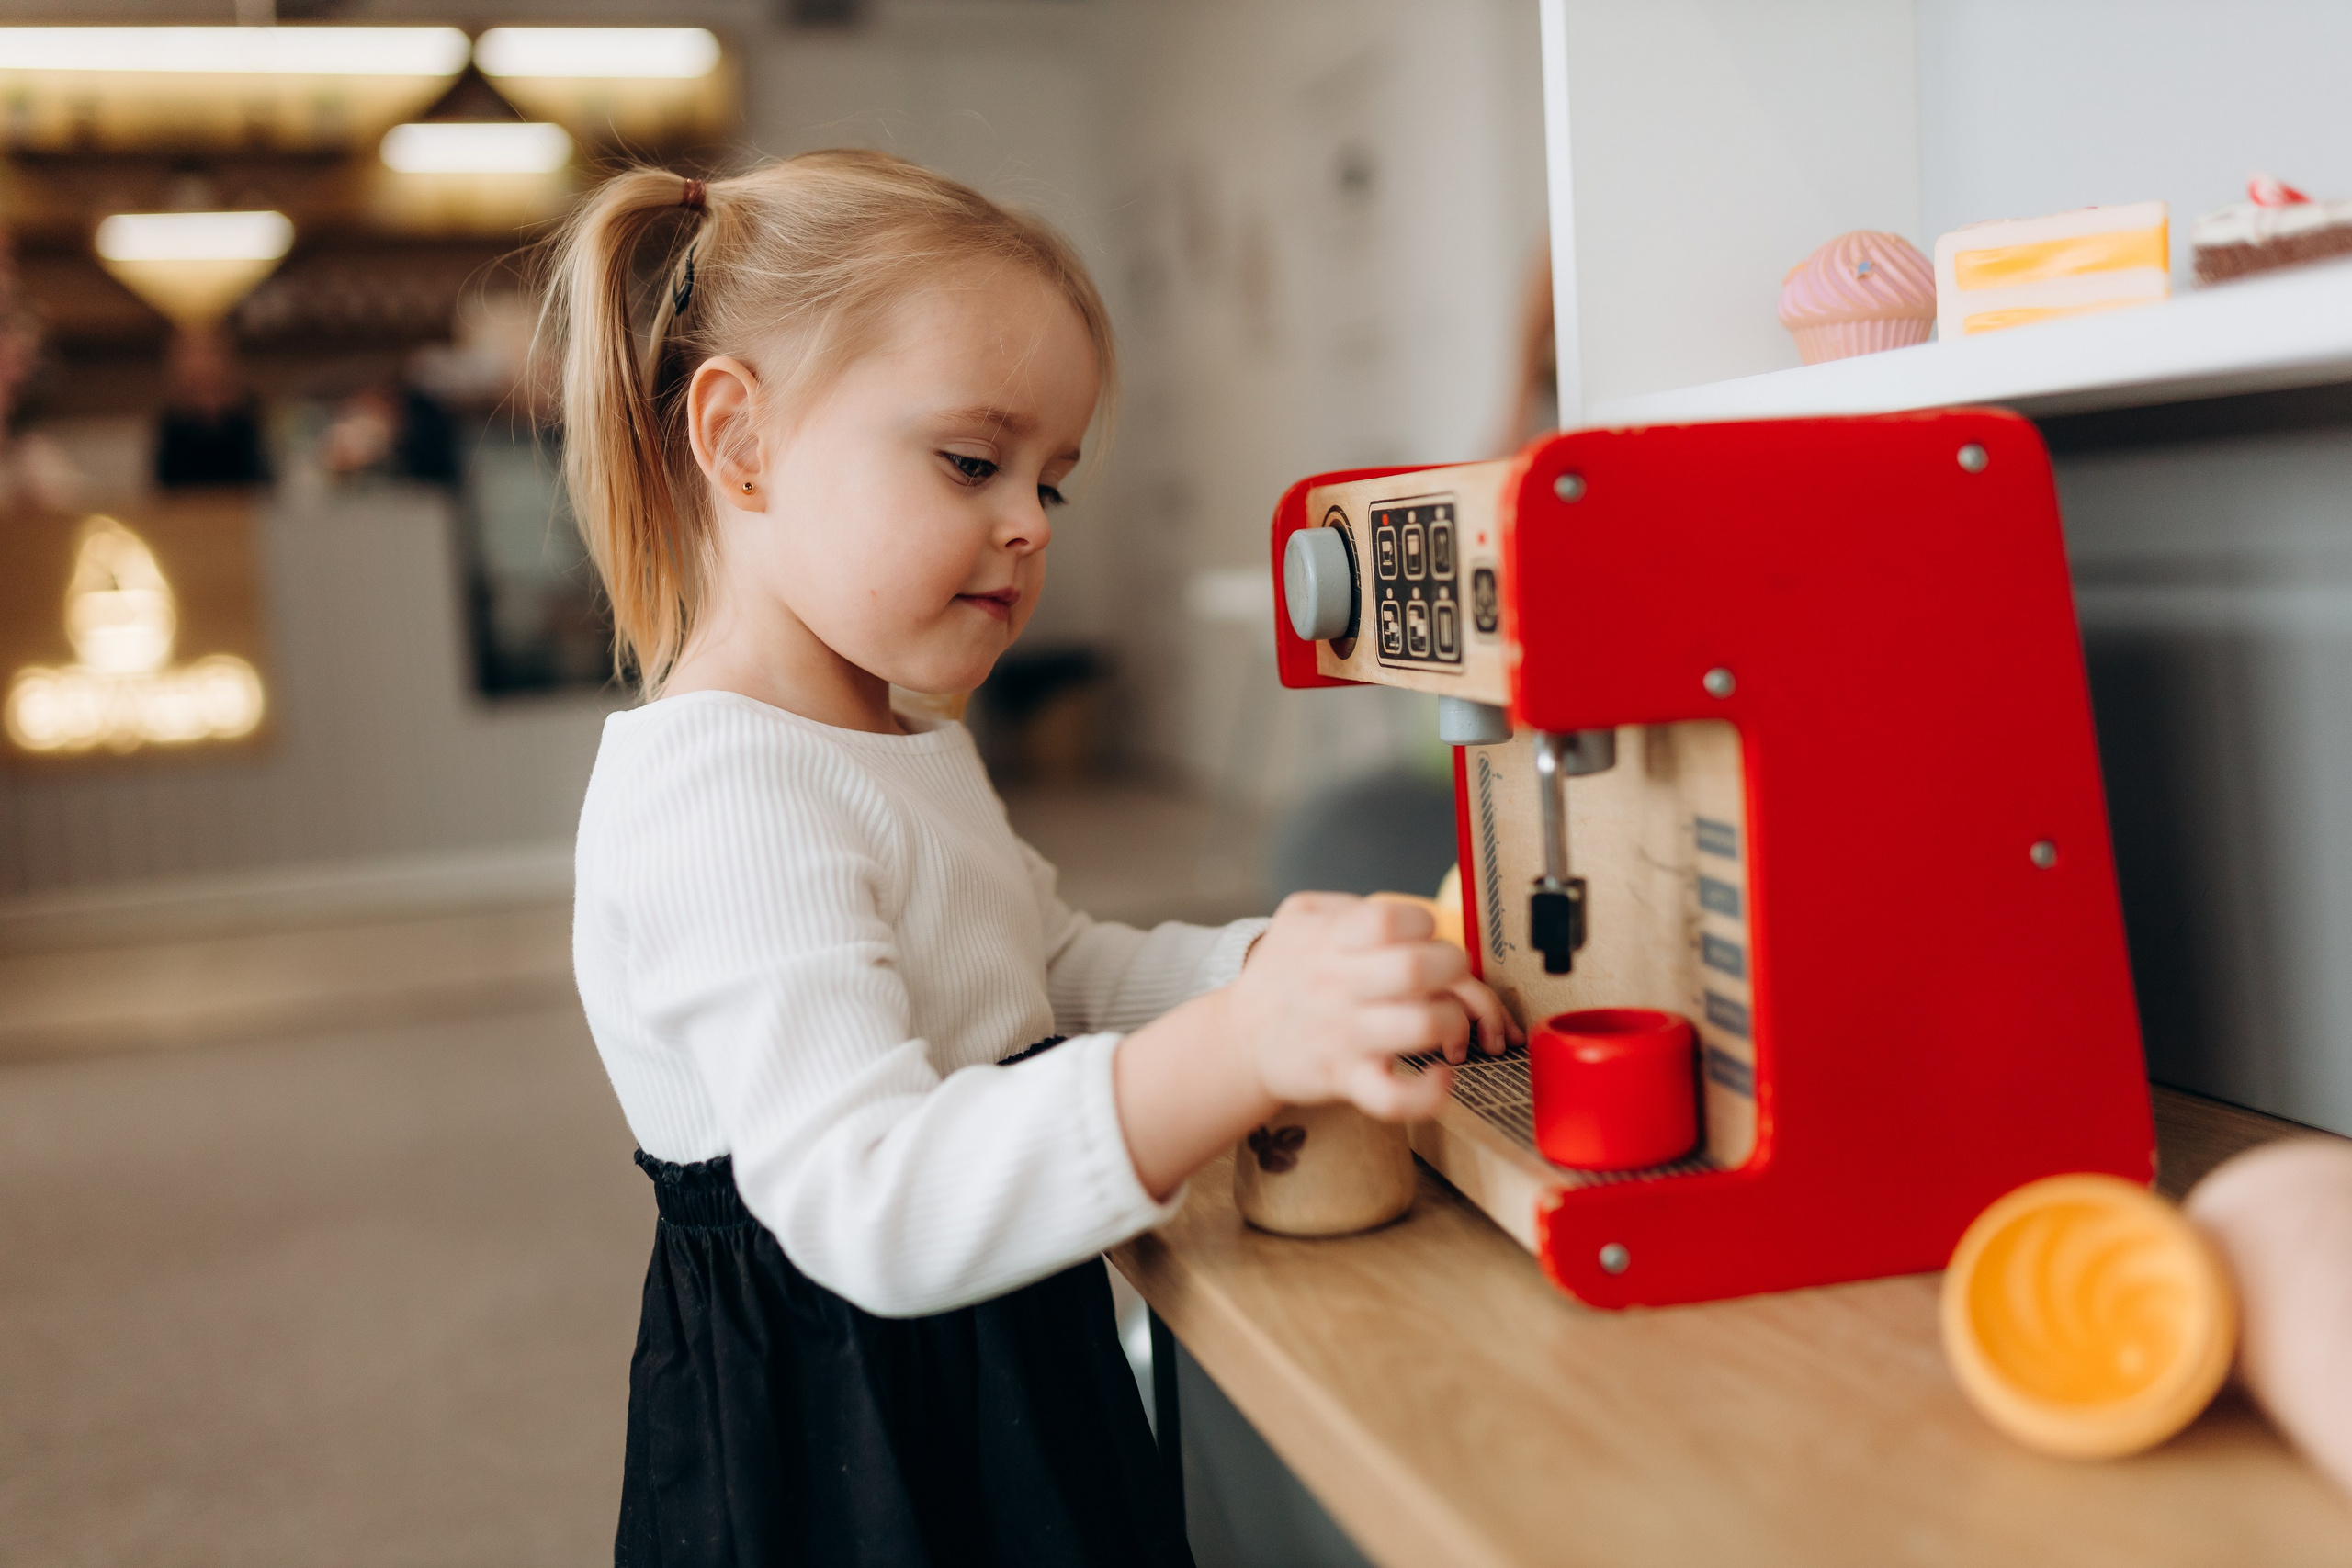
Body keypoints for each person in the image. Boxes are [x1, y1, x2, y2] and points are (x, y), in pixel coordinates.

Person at [555, 151, 1518, 1568]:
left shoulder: (897, 736)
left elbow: (1044, 972)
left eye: (1051, 485)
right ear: (739, 441)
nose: (1026, 523)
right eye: (969, 461)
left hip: (999, 1349)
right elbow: (868, 1196)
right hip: (853, 1443)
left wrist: (1270, 966)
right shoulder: (721, 791)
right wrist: (1241, 1047)